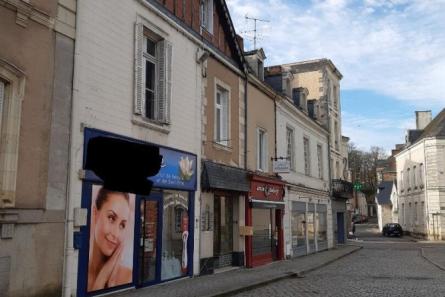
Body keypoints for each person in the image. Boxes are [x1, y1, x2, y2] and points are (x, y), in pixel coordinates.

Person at [88, 187, 133, 292]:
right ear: (95, 214)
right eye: (111, 218)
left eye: (122, 225)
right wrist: (102, 278)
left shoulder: (127, 277)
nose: (116, 234)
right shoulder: (78, 272)